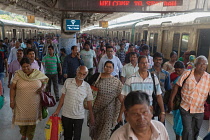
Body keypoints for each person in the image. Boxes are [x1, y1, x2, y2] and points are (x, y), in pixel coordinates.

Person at [169, 55, 210, 140]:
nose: (202, 66)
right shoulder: (187, 74)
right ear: (195, 64)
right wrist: (171, 100)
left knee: (196, 131)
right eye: (200, 64)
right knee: (187, 130)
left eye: (204, 64)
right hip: (185, 107)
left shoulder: (208, 78)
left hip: (199, 109)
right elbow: (176, 86)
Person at [10, 57, 48, 140]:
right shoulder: (18, 74)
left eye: (27, 66)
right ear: (21, 67)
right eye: (23, 67)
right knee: (21, 122)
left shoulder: (37, 74)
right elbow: (12, 88)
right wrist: (12, 101)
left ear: (31, 65)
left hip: (34, 104)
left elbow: (45, 81)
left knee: (32, 123)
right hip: (21, 103)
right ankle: (23, 135)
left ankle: (30, 137)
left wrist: (42, 88)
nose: (26, 68)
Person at [118, 55, 165, 123]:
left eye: (146, 63)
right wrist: (120, 115)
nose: (145, 65)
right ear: (138, 64)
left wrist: (163, 112)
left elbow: (159, 96)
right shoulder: (131, 79)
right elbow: (125, 99)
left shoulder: (153, 78)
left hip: (148, 112)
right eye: (142, 63)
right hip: (134, 112)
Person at [52, 66, 95, 140]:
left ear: (86, 75)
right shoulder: (68, 81)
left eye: (84, 74)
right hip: (66, 115)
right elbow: (62, 98)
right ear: (76, 72)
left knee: (77, 137)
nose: (81, 76)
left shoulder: (87, 86)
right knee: (67, 136)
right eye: (80, 73)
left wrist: (91, 116)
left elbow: (89, 102)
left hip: (79, 116)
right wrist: (57, 110)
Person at [89, 61, 123, 140]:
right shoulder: (96, 77)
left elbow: (122, 100)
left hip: (109, 112)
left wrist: (120, 115)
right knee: (95, 134)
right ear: (103, 67)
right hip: (96, 110)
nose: (108, 68)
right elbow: (89, 93)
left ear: (113, 69)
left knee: (105, 134)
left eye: (110, 67)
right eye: (106, 66)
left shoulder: (116, 82)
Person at [149, 52, 171, 119]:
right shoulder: (148, 72)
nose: (158, 61)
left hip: (162, 99)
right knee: (150, 119)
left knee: (162, 119)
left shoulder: (166, 74)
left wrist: (168, 102)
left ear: (162, 61)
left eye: (160, 59)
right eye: (156, 59)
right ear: (153, 60)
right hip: (151, 99)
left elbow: (168, 88)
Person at [168, 61, 185, 140]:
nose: (177, 72)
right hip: (177, 103)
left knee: (180, 124)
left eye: (179, 71)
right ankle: (177, 136)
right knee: (176, 121)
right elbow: (172, 90)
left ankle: (178, 136)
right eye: (176, 70)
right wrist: (171, 101)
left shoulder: (186, 77)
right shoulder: (175, 77)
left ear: (183, 69)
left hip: (184, 103)